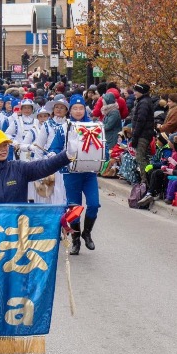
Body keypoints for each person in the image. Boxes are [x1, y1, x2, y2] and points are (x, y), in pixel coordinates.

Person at [0, 128, 75, 204]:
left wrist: (66, 155)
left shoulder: (19, 168)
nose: (3, 149)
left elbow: (44, 166)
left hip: (17, 228)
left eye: (5, 145)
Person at [63, 94, 101, 255]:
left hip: (89, 173)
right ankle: (76, 240)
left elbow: (101, 146)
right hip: (71, 173)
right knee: (74, 208)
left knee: (94, 204)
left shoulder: (94, 126)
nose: (78, 111)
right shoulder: (64, 127)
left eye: (81, 108)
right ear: (70, 110)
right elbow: (55, 147)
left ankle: (87, 233)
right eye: (75, 108)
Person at [129, 83, 156, 185]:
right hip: (144, 133)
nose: (134, 93)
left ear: (141, 92)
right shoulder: (144, 101)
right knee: (144, 157)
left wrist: (135, 136)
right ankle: (148, 180)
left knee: (141, 157)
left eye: (136, 91)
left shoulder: (144, 103)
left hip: (143, 134)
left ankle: (145, 181)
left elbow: (141, 121)